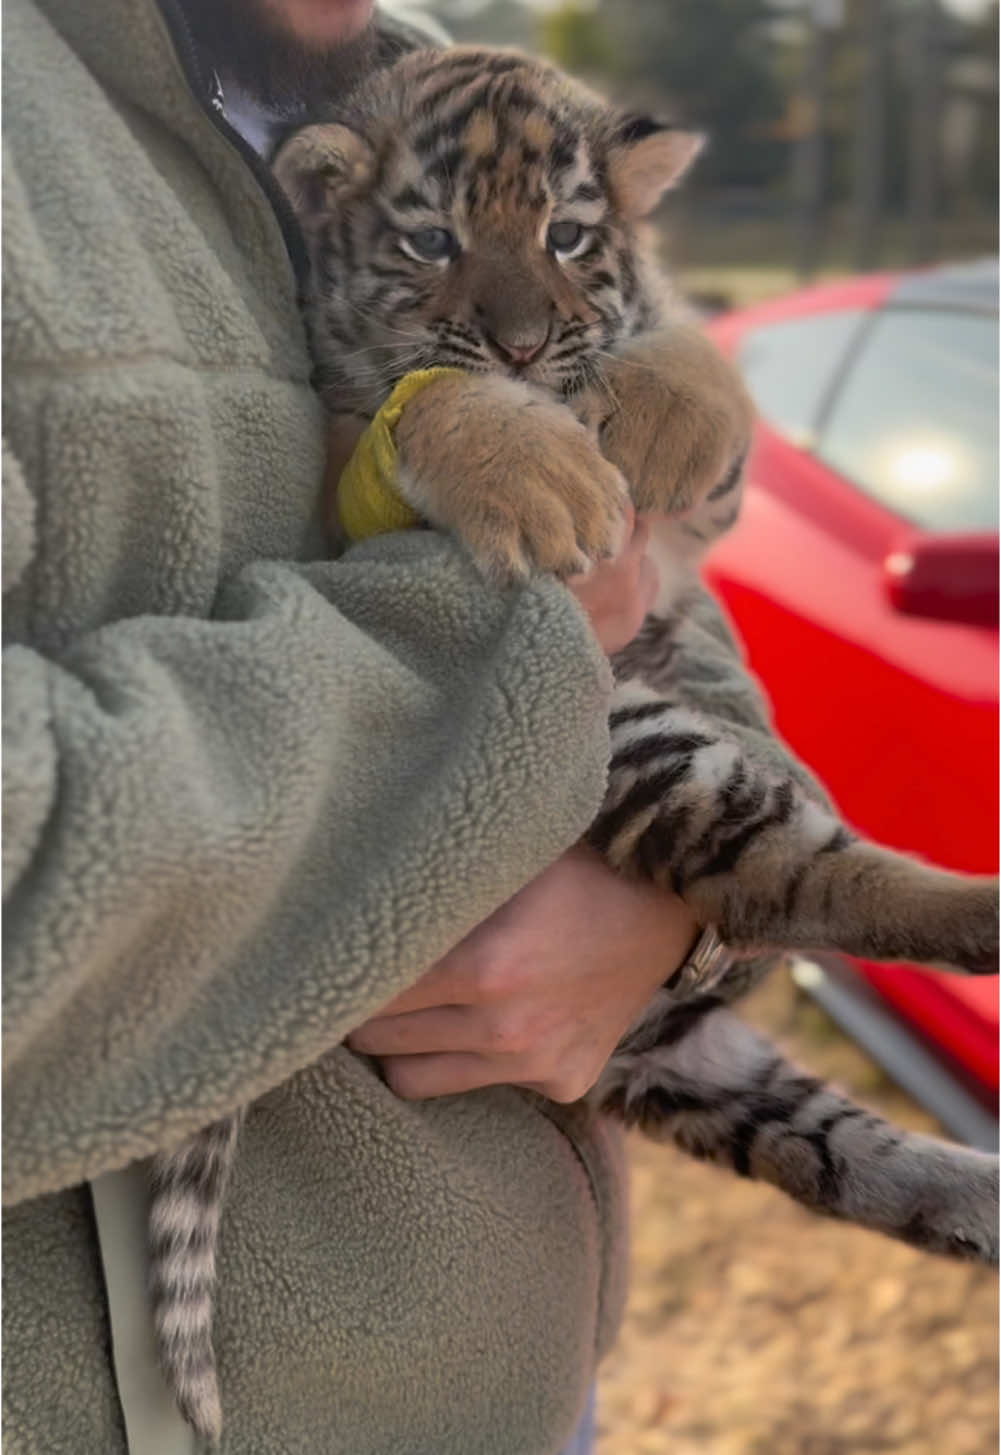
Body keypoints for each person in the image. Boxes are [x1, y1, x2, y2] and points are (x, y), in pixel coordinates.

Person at [3, 1, 707, 1451]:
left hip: (519, 1390)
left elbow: (669, 606)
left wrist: (674, 910)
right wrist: (508, 686)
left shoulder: (436, 70)